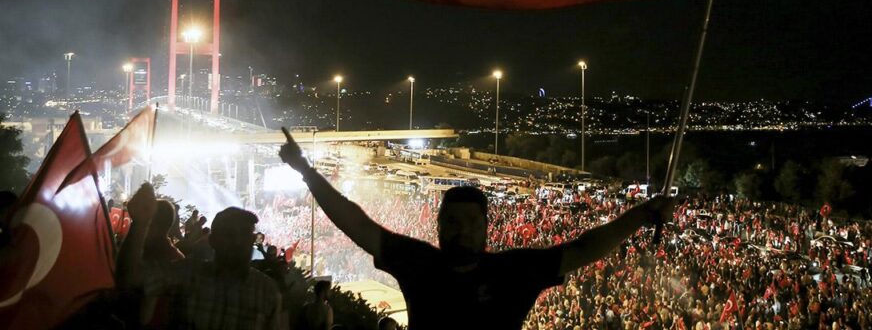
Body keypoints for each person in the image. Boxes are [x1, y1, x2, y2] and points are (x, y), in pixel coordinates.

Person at [279, 127, 676, 330]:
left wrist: (642, 214)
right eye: (452, 222)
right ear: (438, 226)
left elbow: (586, 247)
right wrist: (306, 172)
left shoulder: (513, 272)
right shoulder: (419, 264)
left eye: (471, 223)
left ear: (487, 228)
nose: (461, 231)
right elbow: (355, 222)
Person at [117, 183, 282, 330]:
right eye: (229, 234)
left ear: (253, 240)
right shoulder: (187, 274)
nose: (237, 241)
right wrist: (139, 223)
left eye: (245, 234)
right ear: (212, 241)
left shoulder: (267, 293)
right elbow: (129, 278)